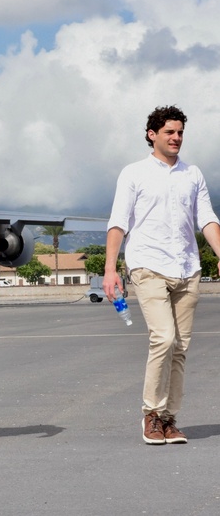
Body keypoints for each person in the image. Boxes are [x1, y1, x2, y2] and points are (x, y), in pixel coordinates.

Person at [103, 105, 220, 445]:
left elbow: (208, 219)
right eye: (170, 132)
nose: (176, 138)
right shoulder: (134, 173)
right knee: (164, 337)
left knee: (181, 347)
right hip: (148, 265)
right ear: (152, 135)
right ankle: (151, 414)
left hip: (187, 267)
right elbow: (118, 222)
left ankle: (169, 419)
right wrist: (110, 270)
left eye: (180, 132)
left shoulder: (192, 174)